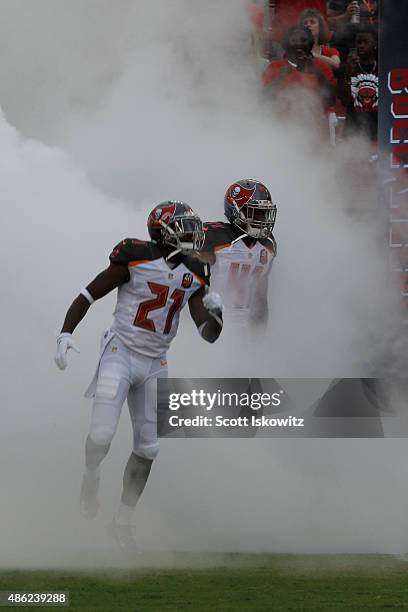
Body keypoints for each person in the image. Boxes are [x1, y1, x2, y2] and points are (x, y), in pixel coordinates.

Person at [54, 201, 223, 549]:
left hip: (156, 363)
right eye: (185, 228)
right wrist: (65, 332)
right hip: (120, 351)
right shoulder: (135, 257)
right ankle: (91, 475)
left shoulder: (194, 271)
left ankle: (122, 522)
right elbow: (89, 294)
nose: (194, 235)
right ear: (164, 233)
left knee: (148, 448)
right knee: (101, 434)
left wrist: (216, 316)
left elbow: (207, 333)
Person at [201, 180, 277, 329]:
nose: (262, 219)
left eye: (265, 213)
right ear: (236, 211)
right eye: (256, 213)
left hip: (244, 327)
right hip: (212, 321)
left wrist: (258, 333)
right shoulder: (214, 237)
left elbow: (260, 298)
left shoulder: (268, 245)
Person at [262, 26, 336, 118]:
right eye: (294, 40)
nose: (299, 43)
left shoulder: (321, 66)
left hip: (313, 124)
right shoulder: (275, 67)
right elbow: (263, 98)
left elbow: (331, 101)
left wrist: (317, 73)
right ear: (287, 44)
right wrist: (280, 78)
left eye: (303, 40)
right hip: (280, 124)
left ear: (310, 44)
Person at [341, 24, 378, 143]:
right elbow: (345, 100)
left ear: (375, 44)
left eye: (365, 42)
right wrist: (349, 72)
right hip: (353, 130)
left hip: (378, 129)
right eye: (358, 42)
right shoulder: (349, 67)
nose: (361, 45)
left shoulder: (384, 67)